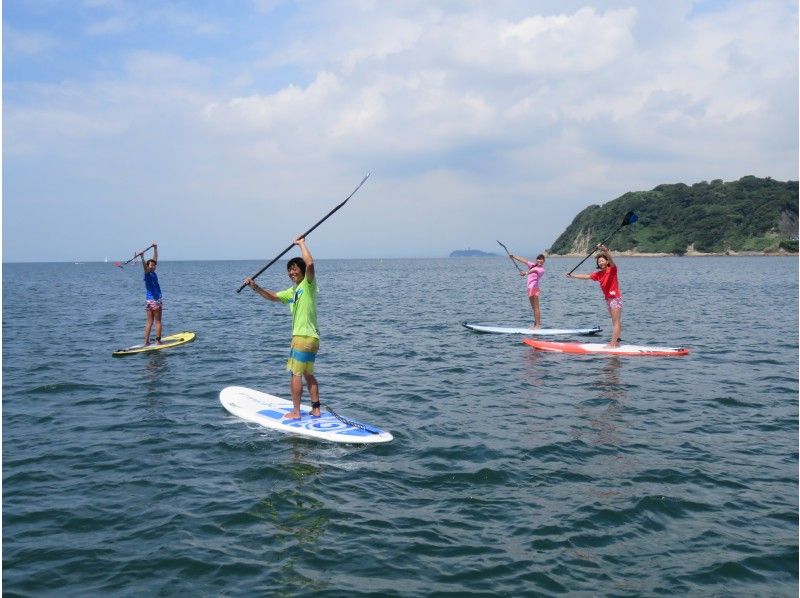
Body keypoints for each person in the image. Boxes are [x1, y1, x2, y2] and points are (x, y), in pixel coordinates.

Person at [244, 237, 320, 420]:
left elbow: (310, 263)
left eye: (295, 268)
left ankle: (296, 412)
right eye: (289, 270)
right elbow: (272, 296)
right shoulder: (293, 291)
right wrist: (255, 287)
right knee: (308, 373)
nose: (291, 272)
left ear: (302, 270)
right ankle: (316, 409)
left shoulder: (308, 284)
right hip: (312, 338)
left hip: (302, 337)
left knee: (296, 374)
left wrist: (301, 243)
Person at [567, 243, 622, 347]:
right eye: (599, 261)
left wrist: (605, 250)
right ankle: (617, 342)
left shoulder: (612, 270)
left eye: (602, 260)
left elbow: (611, 260)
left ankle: (613, 344)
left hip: (615, 298)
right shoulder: (599, 274)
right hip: (608, 299)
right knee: (616, 321)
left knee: (615, 322)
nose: (601, 263)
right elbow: (586, 276)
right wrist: (573, 276)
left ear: (607, 261)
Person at [509, 253, 546, 329]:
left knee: (536, 308)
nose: (539, 260)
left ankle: (538, 326)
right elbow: (524, 260)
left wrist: (525, 273)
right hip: (529, 288)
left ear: (544, 261)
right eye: (538, 259)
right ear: (536, 260)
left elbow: (534, 271)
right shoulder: (532, 265)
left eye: (541, 259)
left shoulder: (541, 269)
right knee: (533, 308)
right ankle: (535, 324)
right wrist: (513, 256)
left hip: (535, 288)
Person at [139, 242, 162, 345]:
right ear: (148, 267)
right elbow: (145, 267)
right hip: (155, 300)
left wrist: (155, 248)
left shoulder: (152, 272)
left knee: (149, 321)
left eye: (154, 265)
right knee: (157, 321)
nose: (153, 266)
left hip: (149, 301)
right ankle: (158, 341)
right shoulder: (147, 273)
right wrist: (142, 258)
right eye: (151, 265)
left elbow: (155, 259)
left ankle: (146, 342)